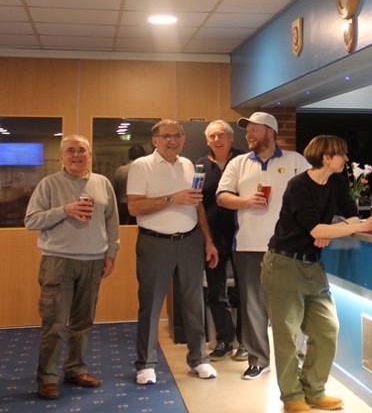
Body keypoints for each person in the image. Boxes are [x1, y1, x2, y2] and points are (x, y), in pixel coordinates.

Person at [262, 135, 372, 413]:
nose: (346, 159)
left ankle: (314, 390)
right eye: (341, 154)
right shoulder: (298, 186)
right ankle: (292, 397)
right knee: (287, 335)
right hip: (283, 264)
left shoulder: (337, 182)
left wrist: (333, 230)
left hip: (313, 266)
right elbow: (317, 229)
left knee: (327, 329)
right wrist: (333, 230)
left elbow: (350, 216)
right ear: (326, 158)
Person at [216, 112, 311, 380]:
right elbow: (222, 197)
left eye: (255, 130)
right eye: (248, 131)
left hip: (287, 247)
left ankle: (293, 359)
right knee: (252, 306)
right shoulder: (238, 163)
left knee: (290, 306)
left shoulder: (296, 161)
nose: (249, 135)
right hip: (247, 245)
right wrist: (246, 202)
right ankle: (258, 359)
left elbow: (313, 196)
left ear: (270, 131)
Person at [24, 134, 119, 400]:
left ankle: (76, 368)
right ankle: (48, 378)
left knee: (83, 322)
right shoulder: (49, 184)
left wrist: (111, 254)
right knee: (54, 324)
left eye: (82, 150)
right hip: (58, 262)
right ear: (62, 156)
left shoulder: (102, 183)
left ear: (90, 154)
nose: (77, 155)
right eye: (70, 150)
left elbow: (112, 222)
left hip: (93, 262)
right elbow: (31, 220)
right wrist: (64, 210)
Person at [127, 119, 219, 385]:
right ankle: (146, 364)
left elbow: (197, 205)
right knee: (151, 306)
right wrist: (170, 199)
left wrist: (208, 241)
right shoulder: (141, 166)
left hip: (189, 241)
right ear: (155, 140)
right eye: (166, 136)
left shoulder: (189, 165)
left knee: (194, 303)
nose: (173, 140)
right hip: (154, 243)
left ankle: (199, 359)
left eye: (177, 135)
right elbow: (133, 207)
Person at [195, 120, 246, 361]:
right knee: (216, 292)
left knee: (247, 293)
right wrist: (207, 240)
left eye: (222, 135)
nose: (217, 139)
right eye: (213, 136)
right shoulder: (200, 167)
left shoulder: (247, 162)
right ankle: (225, 340)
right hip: (213, 239)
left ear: (231, 138)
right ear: (207, 140)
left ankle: (246, 342)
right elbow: (199, 206)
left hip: (244, 237)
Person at [113, 143, 146, 224]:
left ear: (129, 155)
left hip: (123, 206)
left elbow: (116, 190)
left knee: (123, 231)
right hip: (140, 206)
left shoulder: (121, 170)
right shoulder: (146, 171)